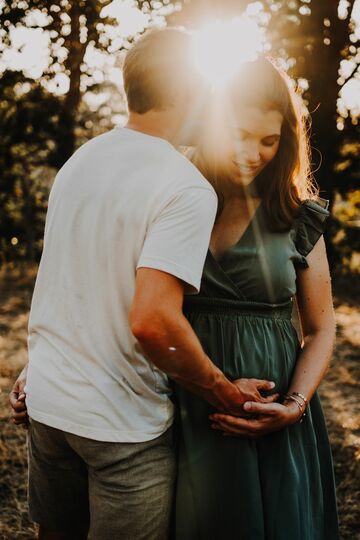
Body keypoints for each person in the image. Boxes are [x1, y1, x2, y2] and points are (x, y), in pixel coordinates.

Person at [9, 29, 277, 540]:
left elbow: (69, 286)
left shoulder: (77, 163)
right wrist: (225, 393)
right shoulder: (185, 186)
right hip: (121, 425)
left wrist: (34, 372)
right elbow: (153, 322)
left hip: (48, 409)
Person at [173, 57, 339, 540]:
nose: (254, 153)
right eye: (241, 135)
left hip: (270, 410)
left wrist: (294, 404)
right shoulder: (176, 198)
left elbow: (322, 327)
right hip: (185, 399)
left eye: (269, 141)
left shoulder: (297, 215)